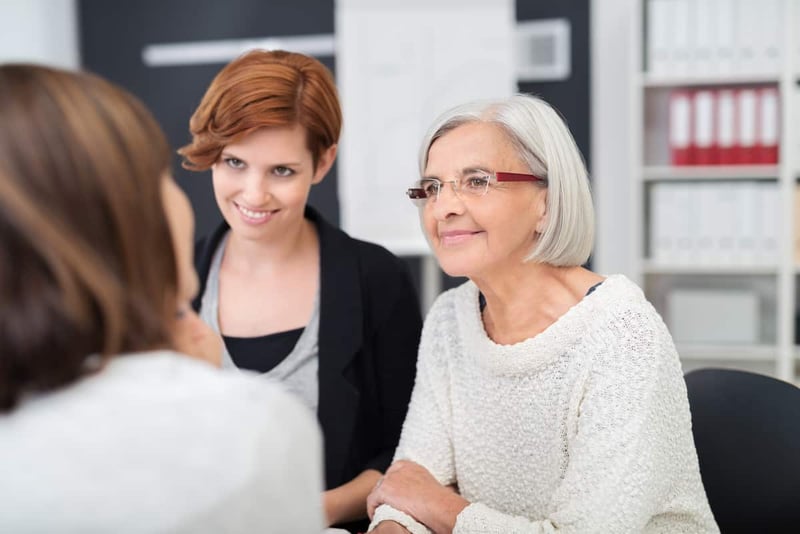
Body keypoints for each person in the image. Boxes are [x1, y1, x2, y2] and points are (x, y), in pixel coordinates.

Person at [365, 94, 719, 533]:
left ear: (545, 204)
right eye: (432, 187)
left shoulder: (623, 334)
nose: (443, 208)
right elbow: (404, 488)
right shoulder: (448, 320)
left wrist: (436, 505)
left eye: (476, 181)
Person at [0, 63, 324, 533]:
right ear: (118, 216)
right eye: (159, 174)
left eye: (281, 169)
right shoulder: (253, 427)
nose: (254, 192)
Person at [178, 49, 422, 532]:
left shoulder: (375, 280)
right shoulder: (171, 279)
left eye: (281, 171)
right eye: (234, 162)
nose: (253, 194)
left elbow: (408, 450)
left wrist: (314, 512)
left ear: (323, 161)